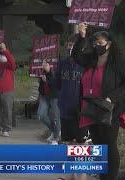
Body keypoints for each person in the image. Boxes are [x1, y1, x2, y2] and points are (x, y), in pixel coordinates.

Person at [72, 23, 125, 180]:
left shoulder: (118, 61)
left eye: (100, 43)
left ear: (109, 44)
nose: (96, 46)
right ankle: (103, 176)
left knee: (109, 144)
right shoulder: (91, 59)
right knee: (99, 146)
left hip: (109, 109)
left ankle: (111, 177)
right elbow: (76, 56)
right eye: (95, 43)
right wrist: (81, 37)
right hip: (91, 108)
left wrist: (112, 97)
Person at [43, 35, 88, 180]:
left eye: (73, 45)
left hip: (81, 111)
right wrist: (49, 72)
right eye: (68, 45)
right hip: (65, 109)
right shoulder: (62, 64)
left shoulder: (85, 64)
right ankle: (72, 175)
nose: (70, 48)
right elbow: (56, 85)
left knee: (81, 144)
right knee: (70, 144)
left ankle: (82, 176)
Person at [37, 68, 60, 145]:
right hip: (44, 96)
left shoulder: (55, 72)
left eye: (46, 64)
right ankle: (55, 131)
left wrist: (47, 81)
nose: (44, 65)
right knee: (41, 115)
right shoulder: (43, 73)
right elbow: (41, 86)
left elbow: (56, 85)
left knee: (55, 117)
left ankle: (56, 137)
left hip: (54, 96)